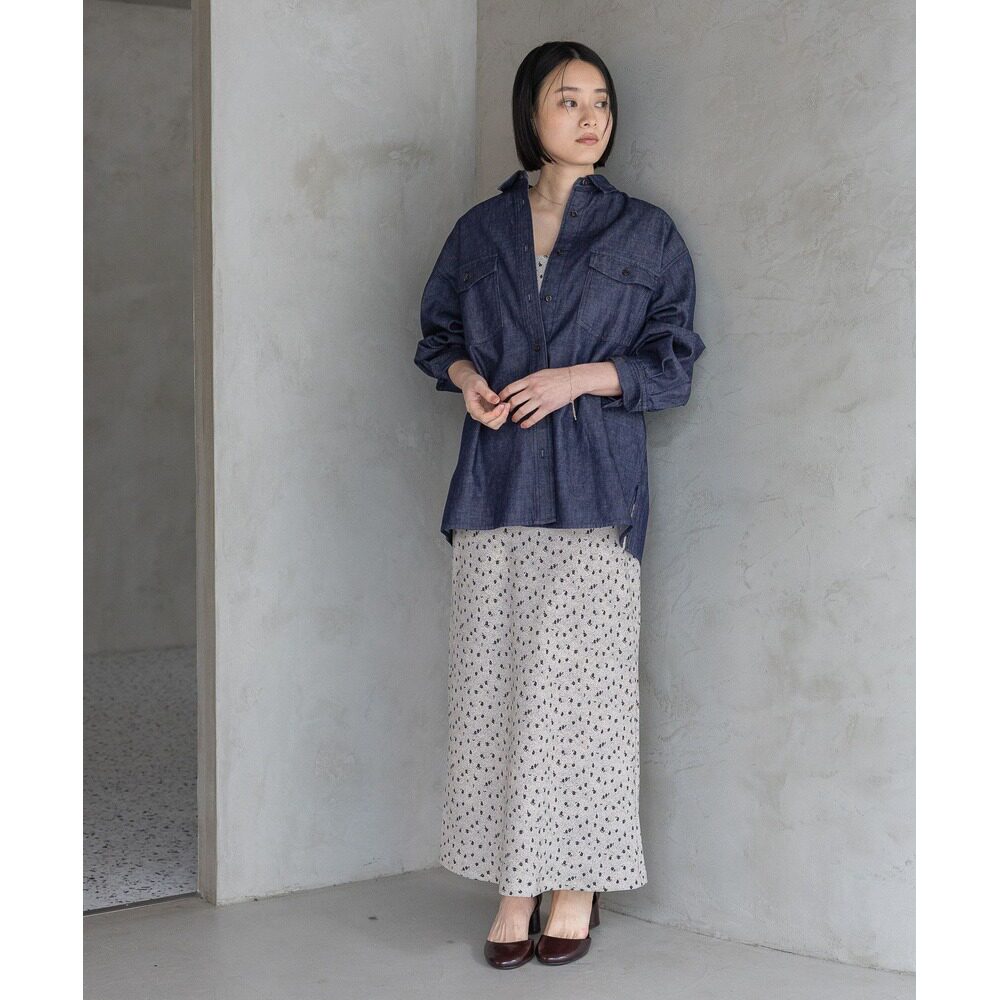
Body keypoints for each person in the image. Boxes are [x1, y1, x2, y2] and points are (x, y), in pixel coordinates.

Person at [414, 40, 706, 969]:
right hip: (493, 486)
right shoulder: (480, 232)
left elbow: (673, 361)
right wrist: (468, 379)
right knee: (494, 691)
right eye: (568, 99)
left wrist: (579, 377)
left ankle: (575, 884)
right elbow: (437, 335)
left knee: (582, 703)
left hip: (595, 490)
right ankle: (515, 885)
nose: (590, 117)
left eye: (601, 101)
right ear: (529, 114)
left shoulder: (646, 234)